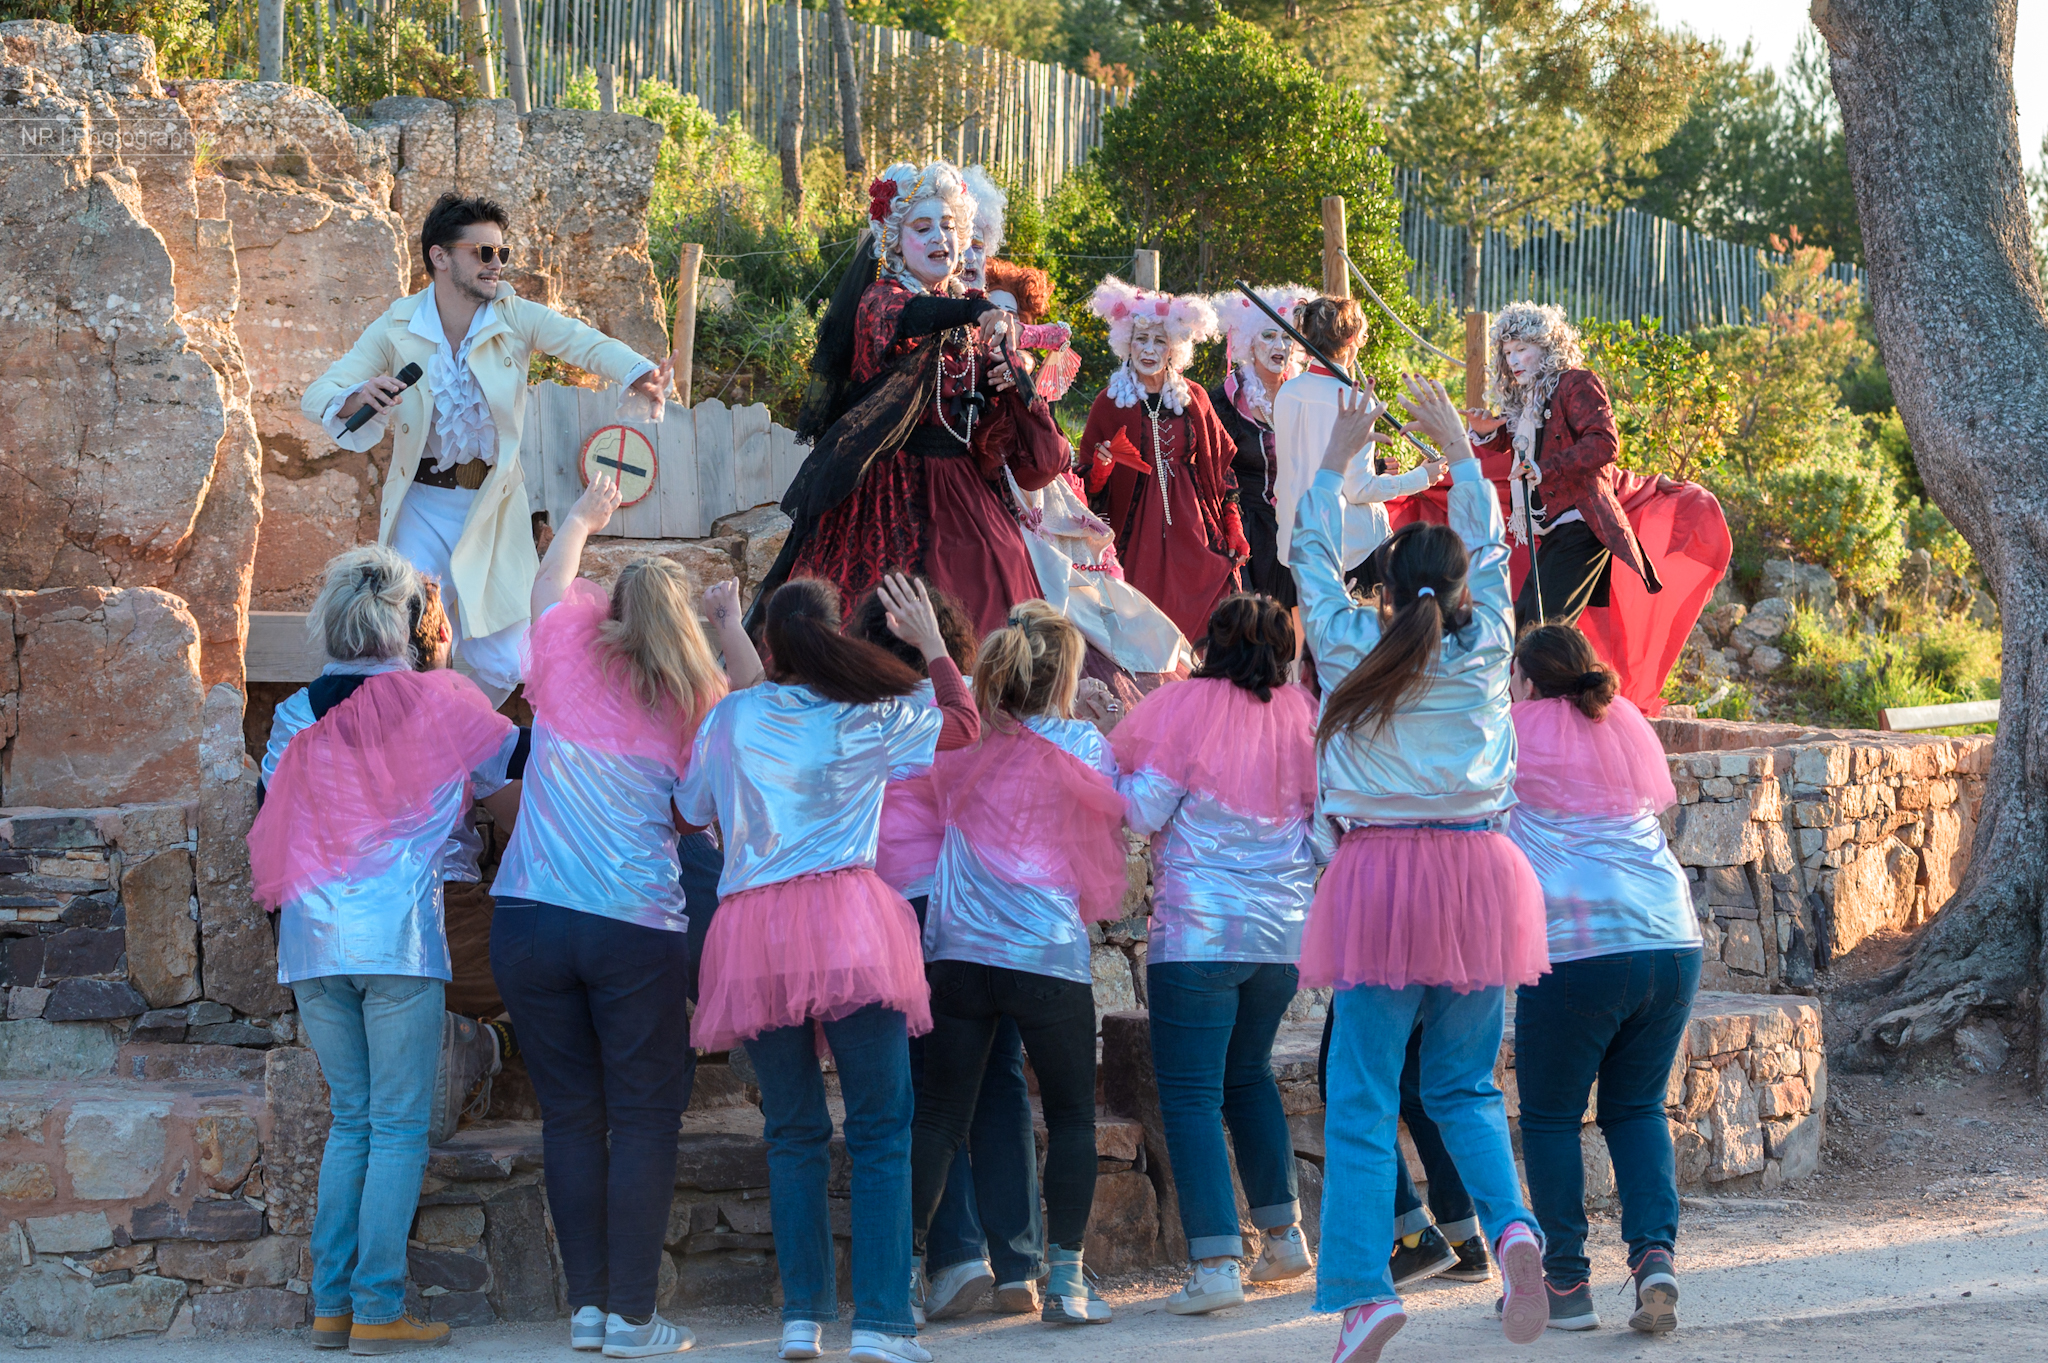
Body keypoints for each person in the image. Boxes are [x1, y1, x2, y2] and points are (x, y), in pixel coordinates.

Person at [1295, 377, 1552, 1362]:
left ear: (1388, 589)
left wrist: (1332, 463)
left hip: (1379, 879)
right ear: (1456, 590)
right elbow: (1492, 550)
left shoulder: (1349, 640)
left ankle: (1365, 1295)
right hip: (1480, 876)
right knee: (1463, 1085)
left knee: (1362, 1092)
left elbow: (1308, 558)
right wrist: (1458, 455)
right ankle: (1512, 1228)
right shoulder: (1487, 644)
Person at [679, 574, 981, 1363]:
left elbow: (688, 810)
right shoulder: (866, 713)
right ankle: (880, 1323)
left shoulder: (730, 715)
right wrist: (933, 642)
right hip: (849, 922)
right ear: (837, 633)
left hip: (754, 932)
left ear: (769, 643)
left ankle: (801, 1318)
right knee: (880, 1126)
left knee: (792, 1130)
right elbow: (962, 722)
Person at [487, 472, 748, 1358]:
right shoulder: (695, 702)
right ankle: (634, 1317)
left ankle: (590, 1311)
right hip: (632, 924)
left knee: (570, 1115)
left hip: (528, 917)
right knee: (641, 1116)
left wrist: (582, 519)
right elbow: (697, 814)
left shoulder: (564, 654)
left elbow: (547, 585)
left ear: (613, 613)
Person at [249, 546, 520, 1355]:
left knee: (352, 1121)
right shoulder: (442, 700)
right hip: (398, 934)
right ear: (409, 622)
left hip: (313, 938)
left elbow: (271, 808)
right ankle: (377, 1308)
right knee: (398, 1128)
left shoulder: (294, 712)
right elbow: (524, 763)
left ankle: (331, 1307)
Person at [302, 193, 674, 699]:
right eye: (483, 252)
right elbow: (319, 393)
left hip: (493, 510)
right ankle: (416, 739)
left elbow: (583, 341)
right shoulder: (397, 324)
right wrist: (356, 396)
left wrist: (638, 372)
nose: (496, 264)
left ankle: (461, 735)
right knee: (400, 648)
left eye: (502, 253)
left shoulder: (514, 316)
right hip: (420, 507)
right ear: (440, 256)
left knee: (509, 660)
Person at [912, 603, 1128, 1328]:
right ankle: (1063, 1283)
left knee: (939, 1118)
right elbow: (1119, 810)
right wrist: (1106, 721)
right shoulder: (1082, 744)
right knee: (1070, 1118)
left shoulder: (960, 737)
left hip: (959, 950)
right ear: (1064, 677)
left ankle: (897, 1277)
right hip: (1045, 954)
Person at [1107, 593, 1324, 1314]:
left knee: (1192, 1094)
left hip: (1199, 932)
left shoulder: (1185, 708)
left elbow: (1142, 810)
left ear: (1213, 644)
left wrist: (1106, 765)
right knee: (1248, 1074)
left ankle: (1215, 1263)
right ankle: (1284, 1235)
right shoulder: (1304, 716)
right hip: (1281, 936)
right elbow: (1327, 830)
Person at [755, 162, 1068, 637]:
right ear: (896, 242)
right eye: (923, 228)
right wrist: (977, 308)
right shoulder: (882, 300)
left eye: (949, 225)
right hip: (888, 484)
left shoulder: (967, 310)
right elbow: (915, 317)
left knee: (998, 560)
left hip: (960, 483)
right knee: (883, 609)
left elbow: (979, 411)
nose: (940, 237)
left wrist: (1007, 377)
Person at [852, 583, 1048, 1320]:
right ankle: (1018, 1263)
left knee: (926, 1090)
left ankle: (958, 1256)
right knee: (998, 1080)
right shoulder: (970, 699)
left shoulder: (860, 711)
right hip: (978, 909)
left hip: (897, 909)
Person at [1506, 624, 1701, 1334]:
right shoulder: (1622, 724)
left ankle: (1566, 1282)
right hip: (1673, 941)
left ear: (1529, 681)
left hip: (1580, 947)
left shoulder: (1513, 734)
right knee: (1637, 1108)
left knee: (1551, 1116)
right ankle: (1654, 1257)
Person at [1078, 277, 1249, 644]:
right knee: (1142, 622)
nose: (1149, 349)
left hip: (1195, 528)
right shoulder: (1109, 402)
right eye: (1141, 339)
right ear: (1126, 342)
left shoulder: (1195, 397)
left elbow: (1222, 469)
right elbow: (1084, 483)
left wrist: (1233, 525)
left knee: (1210, 615)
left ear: (1174, 348)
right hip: (1134, 535)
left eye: (1160, 341)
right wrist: (1102, 469)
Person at [1273, 297, 1445, 597]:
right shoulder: (1357, 403)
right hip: (1350, 554)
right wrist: (1421, 478)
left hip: (1296, 548)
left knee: (1305, 631)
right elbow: (1359, 489)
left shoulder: (1287, 391)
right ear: (1352, 338)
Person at [1208, 285, 1315, 607]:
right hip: (1247, 532)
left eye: (1287, 337)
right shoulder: (1224, 402)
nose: (1280, 346)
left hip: (1298, 528)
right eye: (1269, 336)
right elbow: (1214, 474)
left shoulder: (1306, 394)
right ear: (1249, 342)